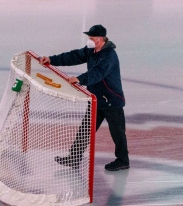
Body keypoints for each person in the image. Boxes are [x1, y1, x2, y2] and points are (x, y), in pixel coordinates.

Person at [40, 24, 130, 171]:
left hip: (111, 100)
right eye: (89, 37)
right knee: (85, 130)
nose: (89, 40)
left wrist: (80, 79)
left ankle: (123, 160)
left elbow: (98, 72)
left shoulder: (109, 56)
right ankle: (74, 158)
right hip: (96, 98)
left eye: (92, 38)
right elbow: (73, 56)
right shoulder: (91, 50)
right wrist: (51, 59)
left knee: (118, 132)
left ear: (101, 39)